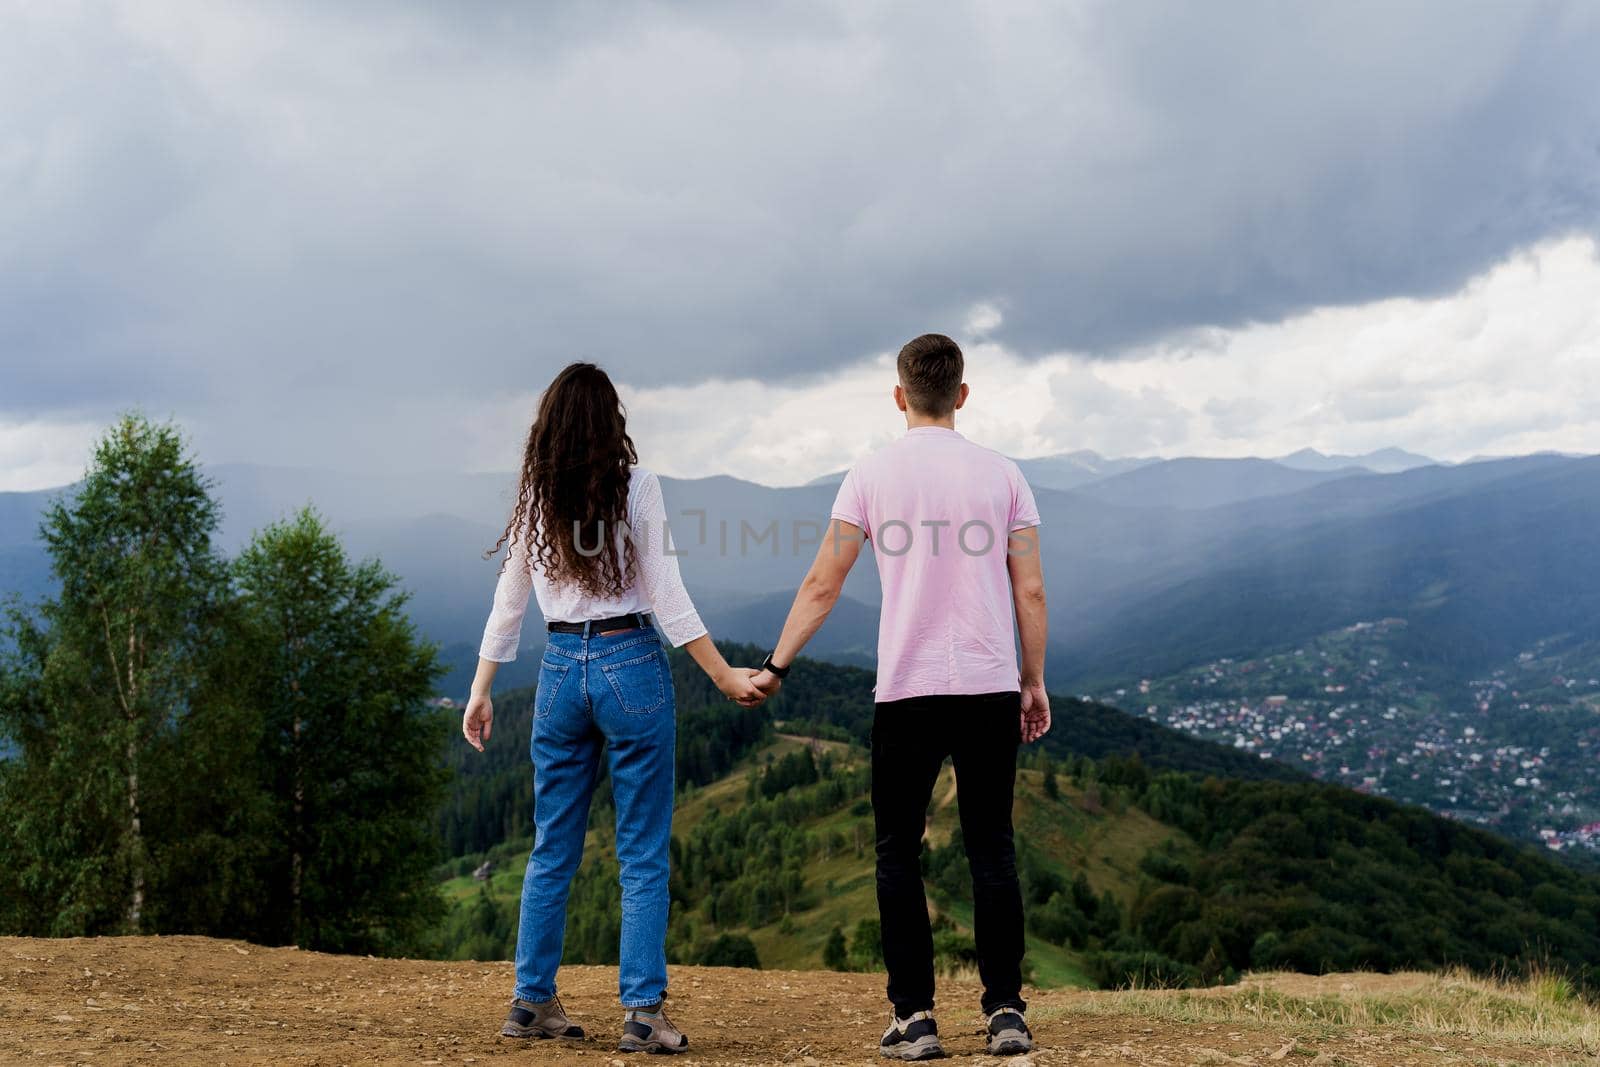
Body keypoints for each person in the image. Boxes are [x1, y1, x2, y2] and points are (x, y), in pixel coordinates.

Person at [751, 333, 1050, 1060]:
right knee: (991, 849)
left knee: (896, 853)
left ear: (899, 394)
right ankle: (1006, 1010)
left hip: (907, 689)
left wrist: (777, 665)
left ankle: (914, 1017)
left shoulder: (869, 475)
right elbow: (1030, 588)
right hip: (986, 683)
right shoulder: (1004, 475)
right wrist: (1033, 679)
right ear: (963, 394)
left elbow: (824, 582)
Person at [461, 361, 766, 1056]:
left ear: (549, 427)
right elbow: (668, 595)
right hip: (631, 664)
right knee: (642, 852)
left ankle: (532, 1001)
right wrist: (722, 677)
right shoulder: (638, 487)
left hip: (561, 669)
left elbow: (509, 602)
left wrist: (480, 689)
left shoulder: (536, 497)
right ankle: (642, 1013)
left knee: (551, 846)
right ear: (612, 423)